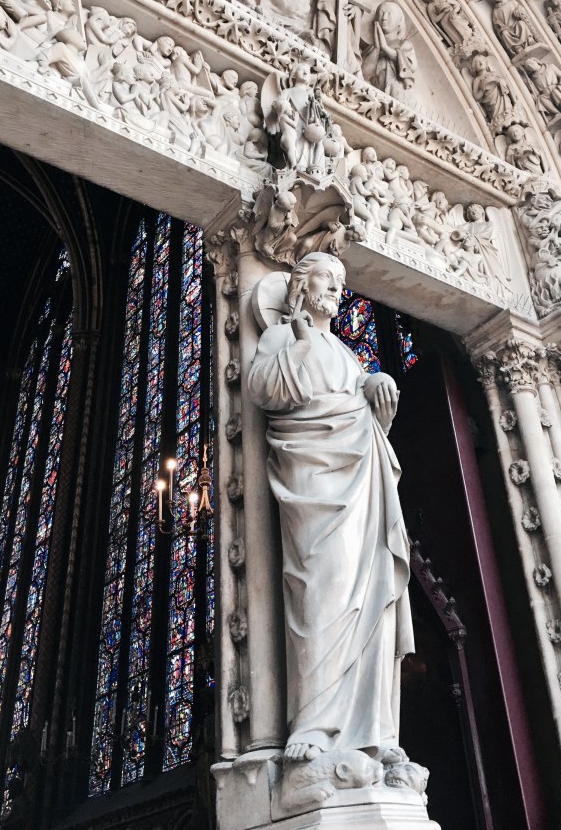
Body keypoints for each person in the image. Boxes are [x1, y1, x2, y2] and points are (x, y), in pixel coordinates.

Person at [247, 253, 413, 766]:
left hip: (360, 481)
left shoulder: (344, 353)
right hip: (312, 485)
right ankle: (315, 721)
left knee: (370, 596)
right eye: (327, 278)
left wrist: (376, 389)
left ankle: (372, 727)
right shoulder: (280, 338)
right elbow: (264, 392)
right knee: (321, 591)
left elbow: (358, 414)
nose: (337, 289)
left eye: (342, 283)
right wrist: (297, 343)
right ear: (300, 283)